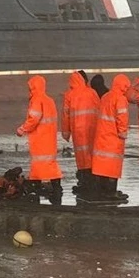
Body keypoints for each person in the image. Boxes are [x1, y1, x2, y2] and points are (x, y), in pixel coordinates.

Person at [16, 75, 63, 205]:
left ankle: (34, 188)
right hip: (50, 137)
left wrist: (22, 129)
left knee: (38, 164)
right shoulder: (49, 100)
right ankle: (56, 188)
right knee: (50, 163)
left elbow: (34, 119)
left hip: (39, 138)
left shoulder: (36, 100)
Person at [91, 74, 131, 201]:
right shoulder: (120, 99)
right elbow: (122, 117)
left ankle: (102, 190)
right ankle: (111, 192)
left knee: (103, 164)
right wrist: (123, 132)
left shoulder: (106, 96)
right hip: (113, 136)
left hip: (102, 135)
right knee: (113, 166)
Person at [61, 71, 100, 199]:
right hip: (93, 129)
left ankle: (85, 184)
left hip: (78, 131)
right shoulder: (92, 92)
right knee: (93, 156)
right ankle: (94, 184)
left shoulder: (69, 95)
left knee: (82, 158)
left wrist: (66, 133)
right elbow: (100, 110)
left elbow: (65, 115)